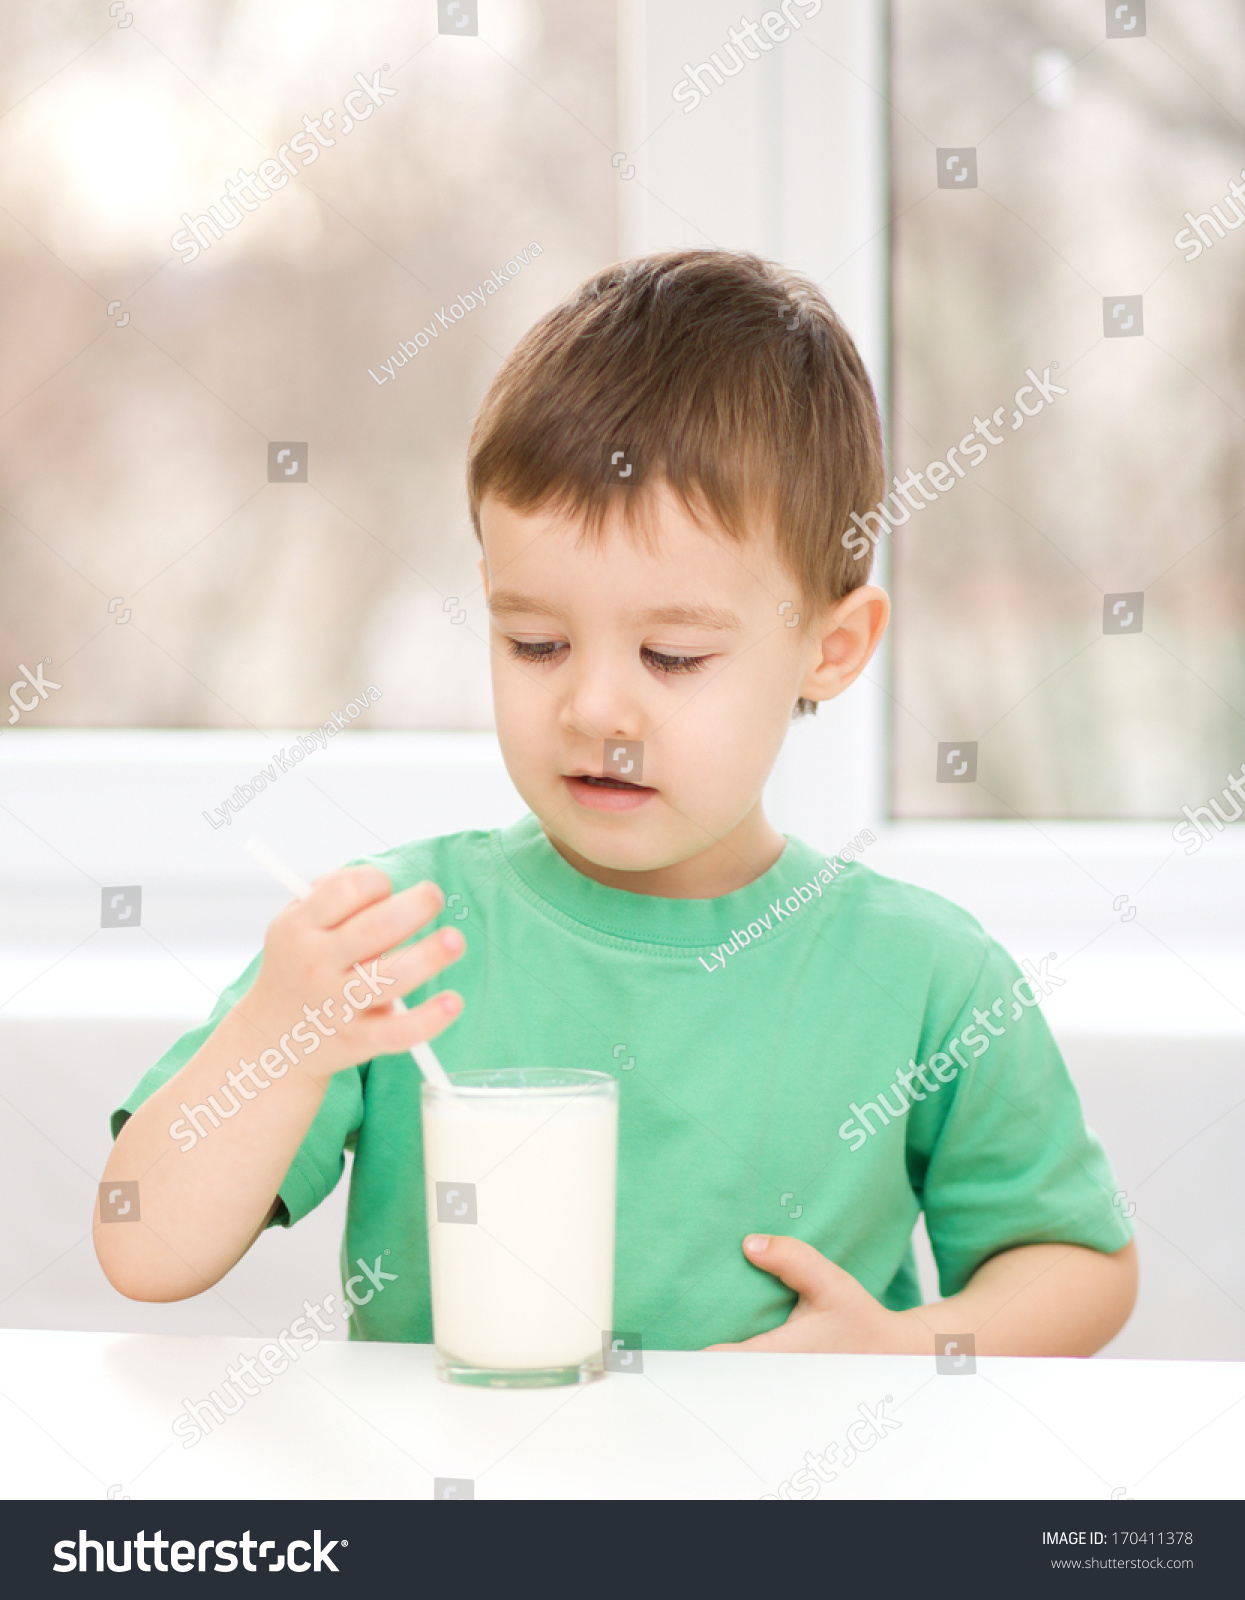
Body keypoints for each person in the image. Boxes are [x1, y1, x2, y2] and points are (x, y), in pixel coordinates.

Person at [96, 249, 1137, 1356]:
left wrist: (909, 1347)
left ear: (831, 650)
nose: (596, 706)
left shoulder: (928, 978)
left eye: (674, 655)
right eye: (534, 642)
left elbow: (1077, 1267)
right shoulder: (397, 939)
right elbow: (143, 1246)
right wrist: (277, 1040)